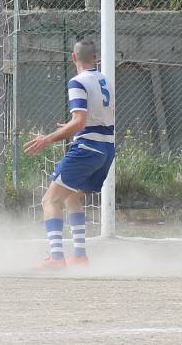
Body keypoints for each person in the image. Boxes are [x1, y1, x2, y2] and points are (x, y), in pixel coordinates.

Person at [23, 39, 114, 269]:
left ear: (74, 58)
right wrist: (72, 125)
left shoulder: (77, 82)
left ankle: (56, 257)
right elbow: (93, 118)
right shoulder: (105, 80)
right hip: (106, 148)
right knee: (71, 197)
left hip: (87, 148)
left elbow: (80, 121)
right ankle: (80, 255)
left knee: (50, 200)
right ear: (96, 57)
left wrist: (48, 138)